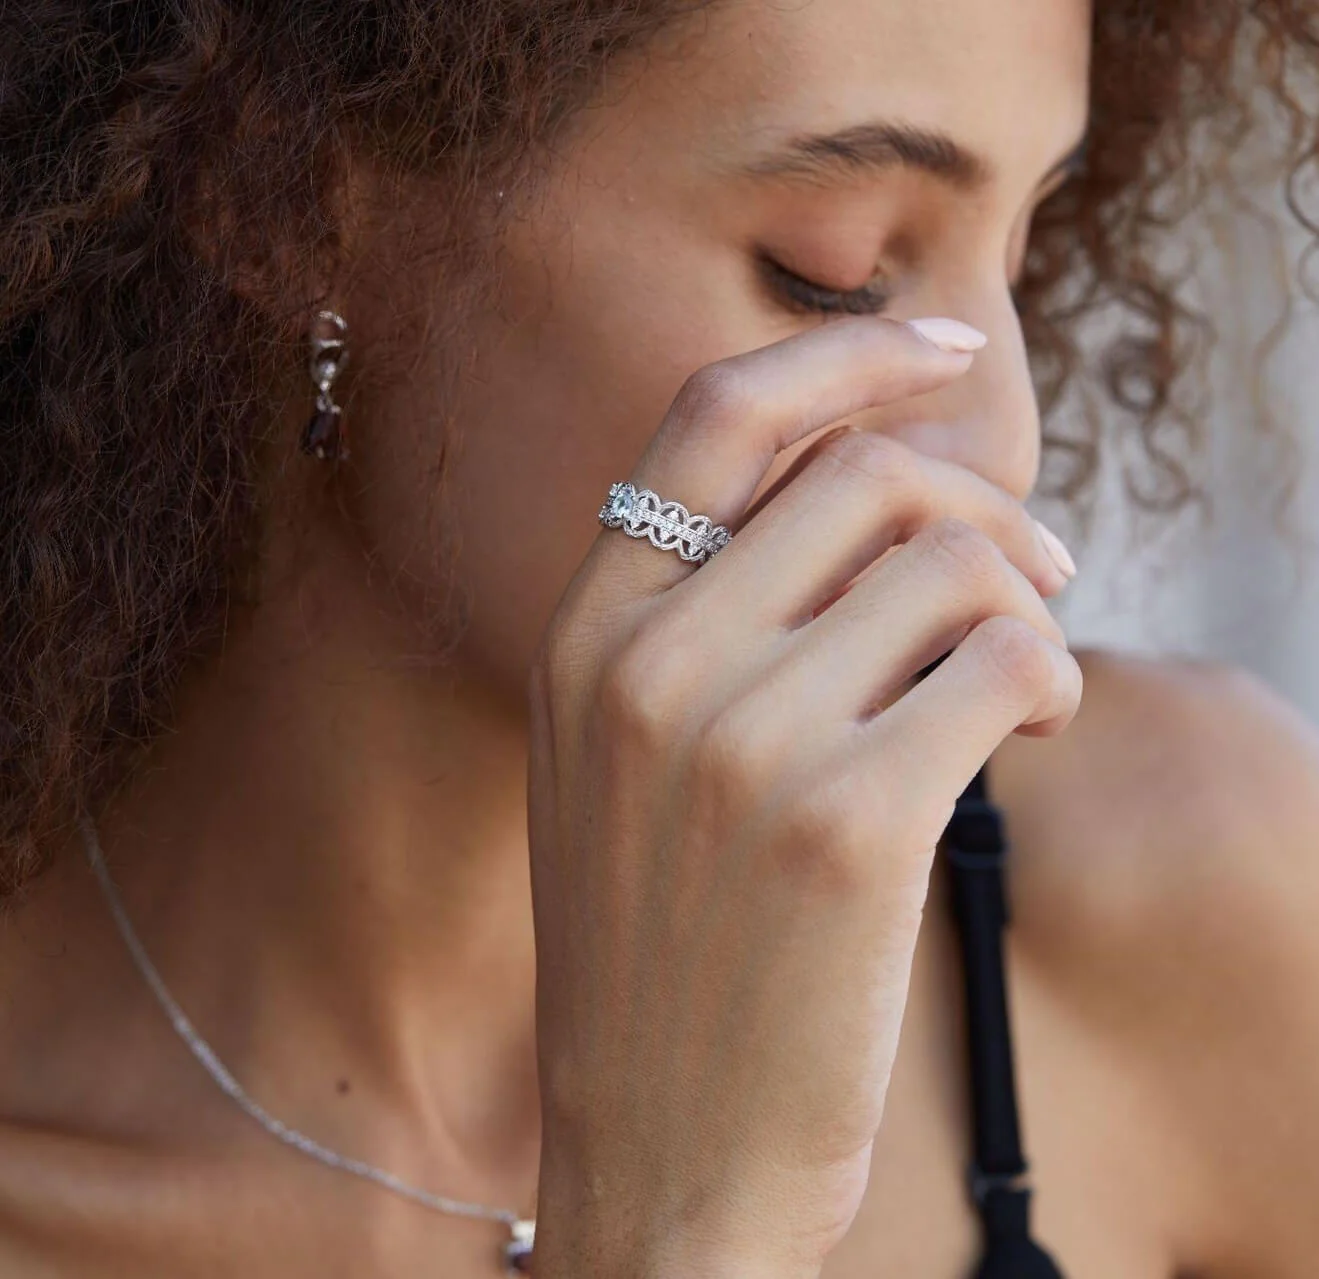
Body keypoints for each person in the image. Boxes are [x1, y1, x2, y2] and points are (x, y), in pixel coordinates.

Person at [3, 0, 1319, 1275]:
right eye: (834, 271)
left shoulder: (1194, 896)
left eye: (1022, 247)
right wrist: (689, 1232)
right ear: (283, 191)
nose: (1001, 441)